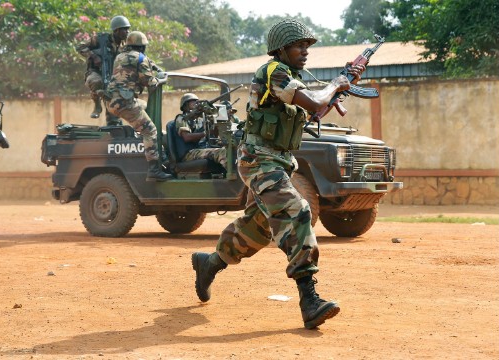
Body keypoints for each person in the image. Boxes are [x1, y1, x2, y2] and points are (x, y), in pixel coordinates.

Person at [190, 19, 366, 329]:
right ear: (282, 49)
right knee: (297, 211)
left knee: (256, 229)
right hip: (259, 160)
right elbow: (314, 101)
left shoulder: (291, 78)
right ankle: (309, 299)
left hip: (278, 162)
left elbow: (314, 110)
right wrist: (336, 84)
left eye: (307, 46)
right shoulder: (274, 72)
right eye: (300, 46)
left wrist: (340, 87)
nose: (305, 51)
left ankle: (209, 264)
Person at [102, 31, 173, 181]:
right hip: (125, 103)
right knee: (150, 131)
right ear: (142, 47)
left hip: (111, 102)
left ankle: (159, 152)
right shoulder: (141, 58)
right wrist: (163, 79)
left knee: (145, 106)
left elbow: (140, 62)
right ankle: (154, 169)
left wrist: (153, 65)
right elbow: (151, 84)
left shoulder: (120, 57)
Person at [75, 15, 131, 124]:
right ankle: (97, 104)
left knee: (112, 98)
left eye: (128, 29)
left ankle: (113, 123)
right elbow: (80, 47)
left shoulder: (125, 45)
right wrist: (93, 56)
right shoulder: (100, 39)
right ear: (117, 30)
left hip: (114, 75)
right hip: (95, 72)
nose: (127, 32)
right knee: (96, 82)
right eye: (124, 29)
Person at [172, 93, 227, 170]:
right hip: (188, 153)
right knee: (221, 152)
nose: (196, 103)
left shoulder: (201, 120)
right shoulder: (182, 118)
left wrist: (215, 121)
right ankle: (232, 175)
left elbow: (214, 135)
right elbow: (186, 137)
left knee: (229, 150)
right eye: (193, 102)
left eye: (197, 101)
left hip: (201, 149)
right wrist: (205, 134)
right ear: (185, 105)